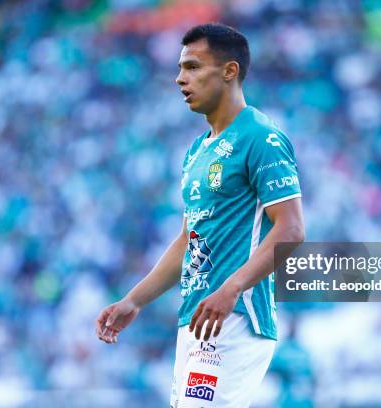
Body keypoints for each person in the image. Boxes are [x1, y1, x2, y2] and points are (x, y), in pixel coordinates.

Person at [95, 22, 305, 407]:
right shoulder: (197, 151)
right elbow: (189, 241)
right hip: (197, 318)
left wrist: (232, 287)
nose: (179, 79)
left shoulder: (262, 137)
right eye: (179, 69)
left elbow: (290, 229)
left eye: (192, 67)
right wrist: (135, 300)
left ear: (229, 71)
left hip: (238, 315)